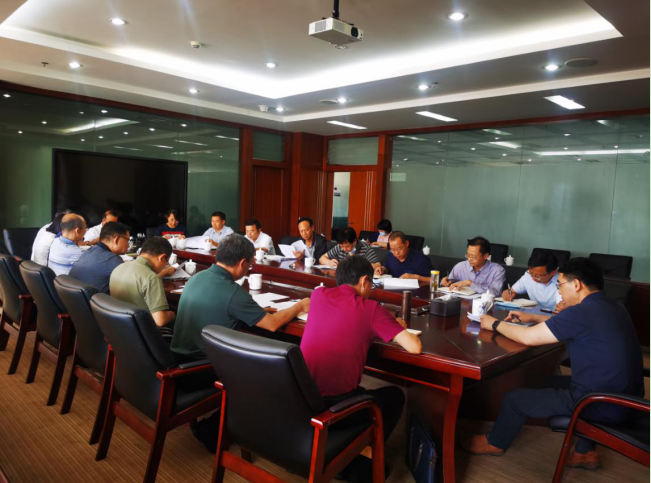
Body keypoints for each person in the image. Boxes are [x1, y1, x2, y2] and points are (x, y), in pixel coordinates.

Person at [466, 258, 644, 470]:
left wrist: (494, 324)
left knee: (514, 399)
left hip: (599, 402)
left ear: (576, 284)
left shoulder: (582, 312)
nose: (559, 291)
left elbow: (529, 338)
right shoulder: (613, 306)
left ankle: (495, 443)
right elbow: (570, 325)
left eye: (560, 285)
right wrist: (532, 317)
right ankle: (584, 452)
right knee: (543, 381)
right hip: (628, 399)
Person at [301, 256, 421, 477]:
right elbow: (414, 347)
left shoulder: (318, 295)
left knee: (363, 391)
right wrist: (398, 325)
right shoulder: (371, 308)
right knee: (394, 396)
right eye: (372, 284)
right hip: (336, 407)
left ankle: (348, 449)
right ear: (365, 280)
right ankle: (359, 462)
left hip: (303, 399)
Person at [171, 234, 310, 361]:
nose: (249, 267)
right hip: (204, 365)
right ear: (243, 263)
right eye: (250, 264)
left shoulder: (196, 277)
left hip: (179, 357)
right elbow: (272, 324)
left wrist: (256, 312)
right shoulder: (233, 292)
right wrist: (300, 306)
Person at [109, 237, 176, 339]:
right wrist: (171, 315)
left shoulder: (119, 268)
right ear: (162, 258)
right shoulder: (151, 278)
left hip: (118, 331)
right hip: (142, 335)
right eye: (166, 262)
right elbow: (160, 321)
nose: (165, 266)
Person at [69, 222, 130, 293]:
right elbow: (130, 287)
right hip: (93, 299)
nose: (128, 245)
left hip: (75, 298)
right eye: (127, 240)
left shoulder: (90, 251)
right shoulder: (113, 259)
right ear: (116, 240)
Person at [441, 236, 505, 295]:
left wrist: (470, 283)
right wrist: (445, 282)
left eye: (473, 256)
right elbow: (449, 283)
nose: (469, 259)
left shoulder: (497, 271)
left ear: (486, 256)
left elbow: (496, 292)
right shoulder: (460, 266)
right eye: (468, 255)